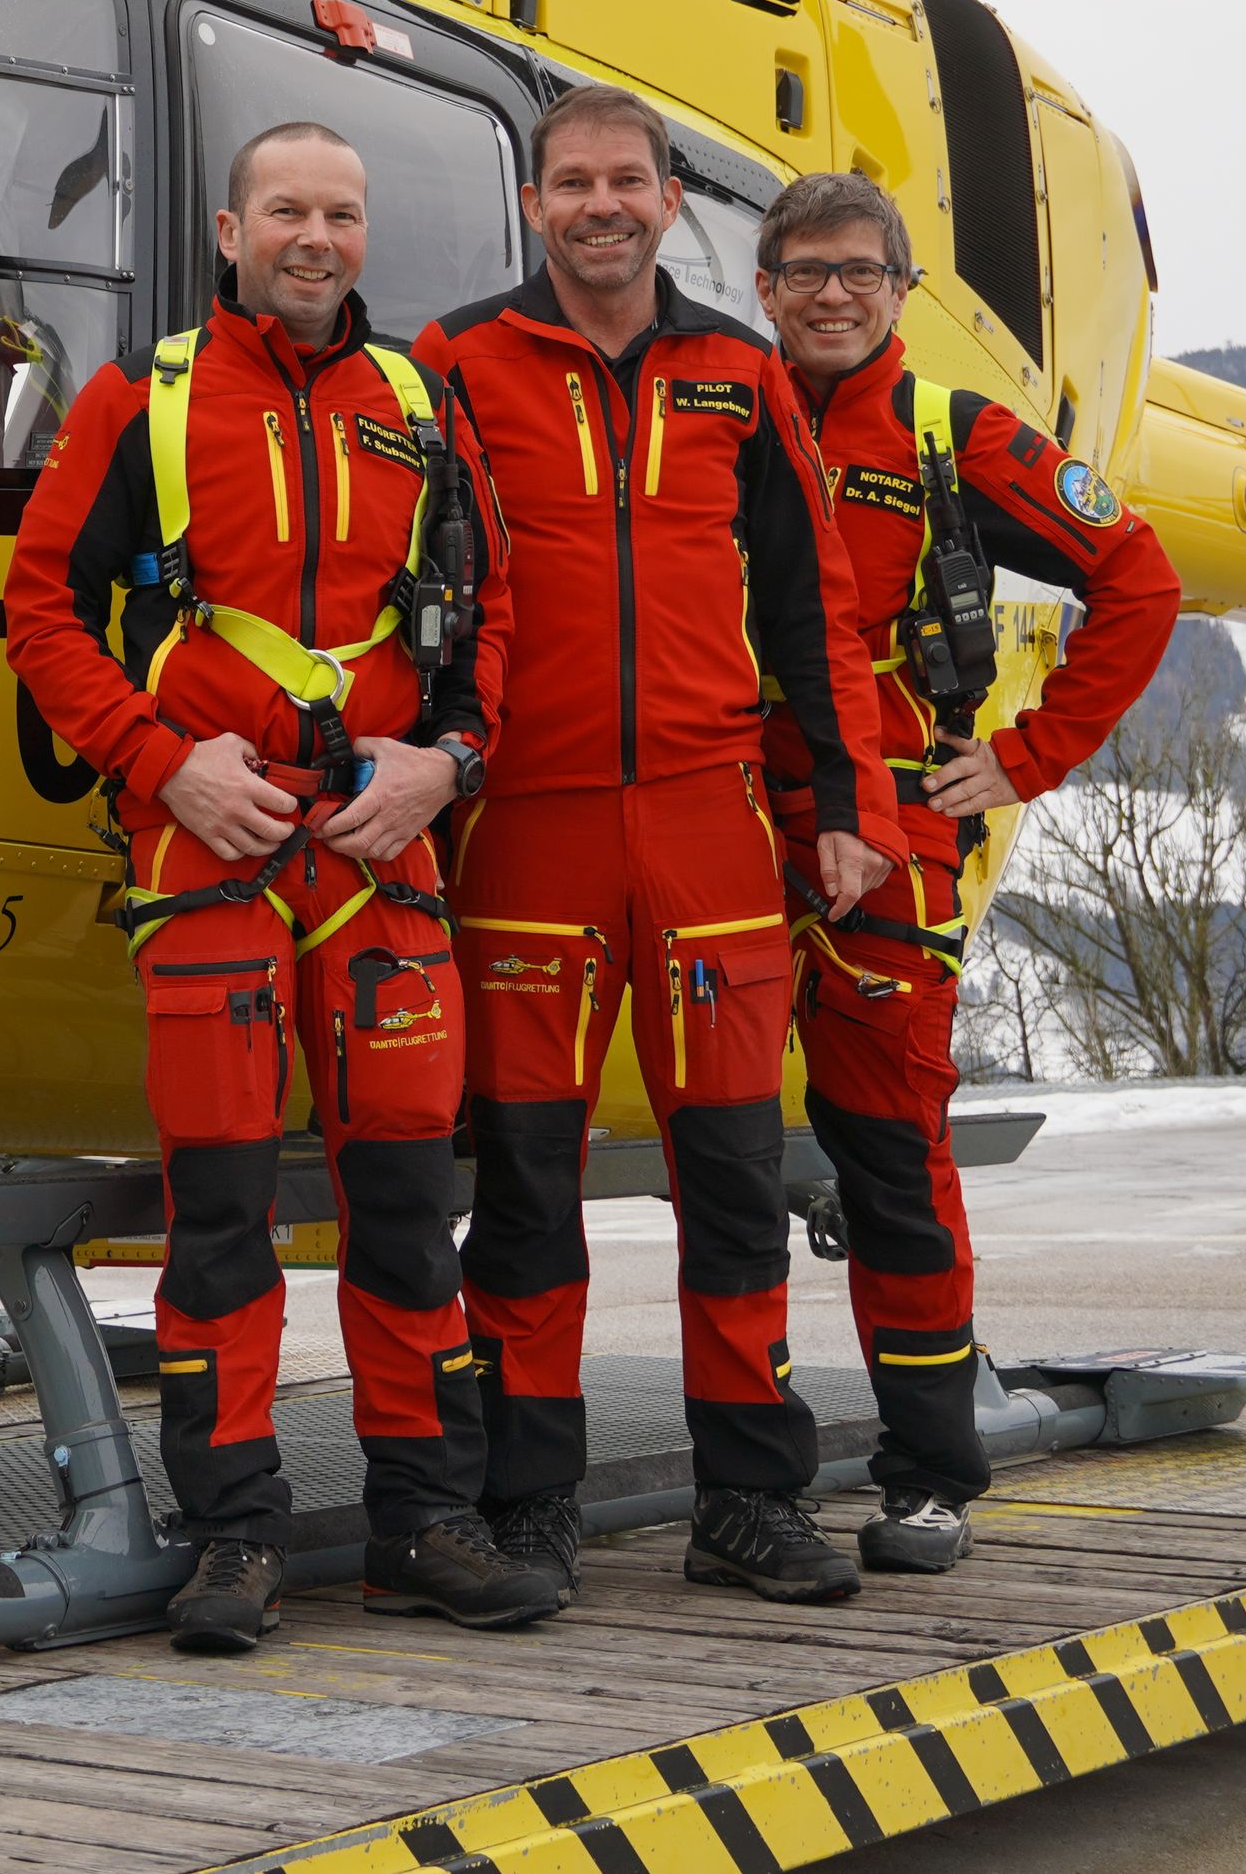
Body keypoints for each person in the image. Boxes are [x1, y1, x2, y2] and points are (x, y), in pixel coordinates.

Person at [7, 118, 561, 1654]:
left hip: (381, 857)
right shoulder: (147, 399)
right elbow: (42, 609)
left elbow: (492, 611)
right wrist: (160, 762)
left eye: (343, 213)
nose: (316, 237)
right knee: (223, 1222)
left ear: (363, 235)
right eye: (287, 211)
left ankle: (424, 1525)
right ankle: (231, 1538)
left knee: (403, 1212)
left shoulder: (419, 405)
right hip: (215, 850)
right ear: (230, 228)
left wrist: (449, 763)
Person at [413, 87, 903, 1610]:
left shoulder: (741, 374)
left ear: (671, 191)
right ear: (535, 200)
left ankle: (749, 1499)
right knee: (527, 1187)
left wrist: (848, 806)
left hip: (706, 827)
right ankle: (529, 1498)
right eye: (573, 182)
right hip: (529, 832)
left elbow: (813, 612)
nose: (602, 205)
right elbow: (410, 584)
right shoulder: (454, 363)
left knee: (738, 1180)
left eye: (628, 179)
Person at [752, 169, 1179, 1574]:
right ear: (762, 285)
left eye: (858, 273)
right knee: (719, 1162)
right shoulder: (713, 417)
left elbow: (1140, 576)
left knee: (892, 1168)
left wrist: (1032, 753)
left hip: (893, 850)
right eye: (804, 269)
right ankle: (737, 1481)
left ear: (900, 292)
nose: (829, 295)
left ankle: (930, 1474)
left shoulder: (958, 437)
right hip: (723, 833)